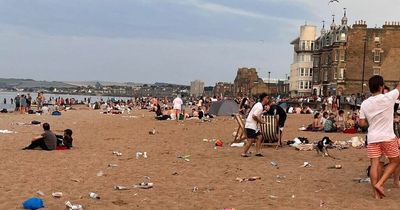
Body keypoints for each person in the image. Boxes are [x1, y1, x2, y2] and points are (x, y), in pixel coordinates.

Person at [358, 75, 400, 199]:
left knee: (374, 164)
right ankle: (380, 183)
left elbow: (361, 123)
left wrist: (371, 121)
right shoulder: (388, 97)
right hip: (387, 136)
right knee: (396, 161)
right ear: (382, 87)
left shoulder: (365, 103)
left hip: (372, 137)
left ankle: (376, 194)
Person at [241, 93, 269, 157]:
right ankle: (244, 153)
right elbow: (254, 116)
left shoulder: (258, 104)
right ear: (263, 98)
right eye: (267, 98)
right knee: (251, 140)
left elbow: (256, 114)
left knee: (259, 137)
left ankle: (258, 152)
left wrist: (261, 120)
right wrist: (261, 122)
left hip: (253, 125)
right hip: (251, 125)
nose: (268, 99)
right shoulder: (260, 106)